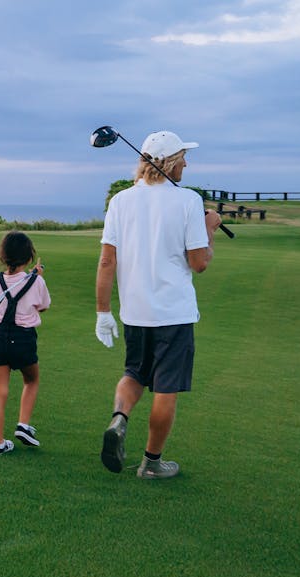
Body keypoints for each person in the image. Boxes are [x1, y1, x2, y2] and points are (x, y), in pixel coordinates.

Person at [95, 130, 222, 479]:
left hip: (136, 312)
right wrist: (210, 228)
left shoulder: (120, 201)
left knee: (134, 374)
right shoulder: (188, 201)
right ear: (169, 162)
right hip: (174, 314)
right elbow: (200, 262)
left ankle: (119, 419)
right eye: (183, 157)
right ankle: (151, 463)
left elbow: (107, 262)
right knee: (165, 388)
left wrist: (103, 313)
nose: (187, 163)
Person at [0, 231, 50, 456]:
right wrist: (35, 276)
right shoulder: (36, 281)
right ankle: (23, 424)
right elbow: (43, 306)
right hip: (23, 339)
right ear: (29, 258)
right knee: (32, 379)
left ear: (3, 256)